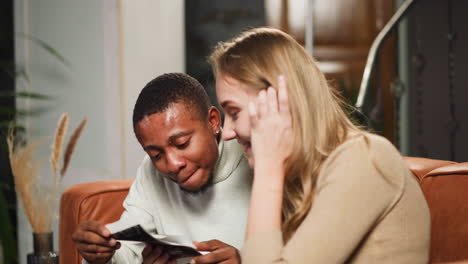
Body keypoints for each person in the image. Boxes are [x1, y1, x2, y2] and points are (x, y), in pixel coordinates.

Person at [208, 27, 431, 263]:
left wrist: (268, 170)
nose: (228, 132)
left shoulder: (363, 159)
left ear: (280, 102)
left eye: (234, 112)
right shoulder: (306, 175)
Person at [72, 73, 252, 264]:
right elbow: (127, 251)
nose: (173, 164)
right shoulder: (151, 172)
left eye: (182, 143)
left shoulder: (255, 158)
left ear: (213, 122)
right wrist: (102, 255)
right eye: (156, 155)